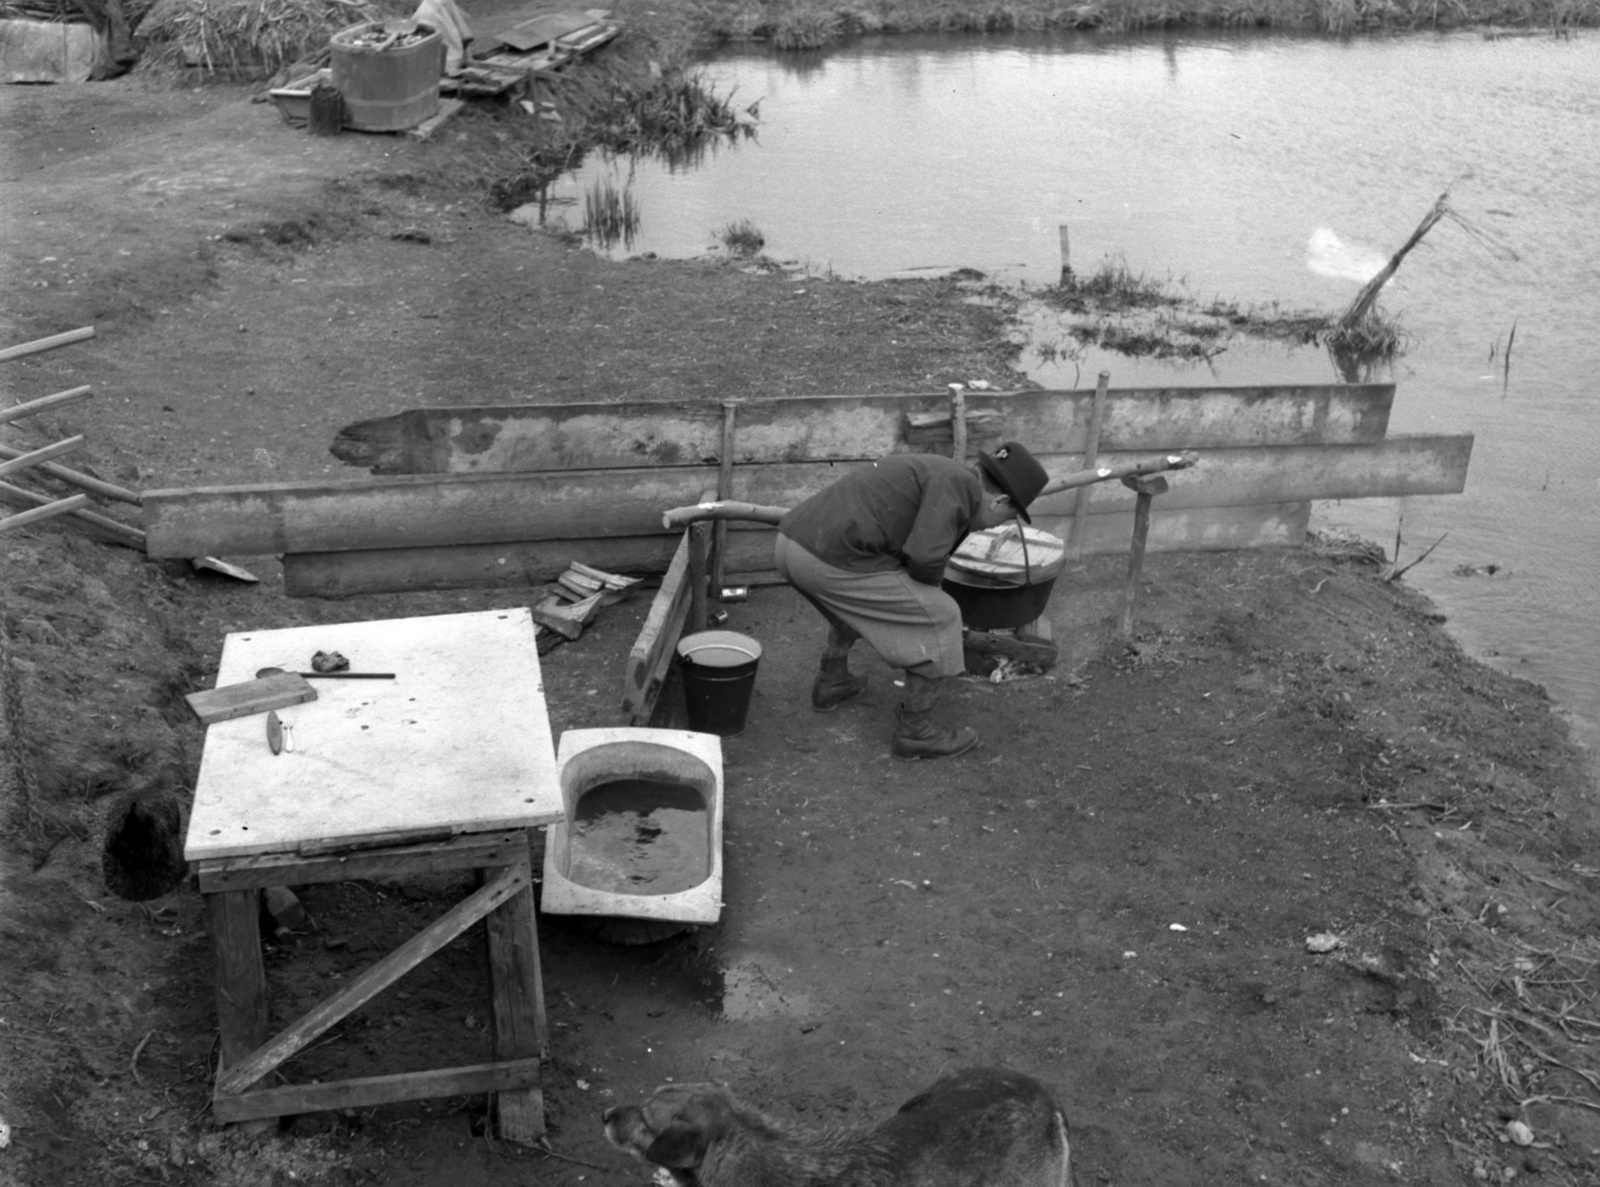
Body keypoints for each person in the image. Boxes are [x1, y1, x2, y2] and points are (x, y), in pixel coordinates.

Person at [774, 442, 1049, 760]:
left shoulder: (943, 471)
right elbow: (924, 557)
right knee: (942, 616)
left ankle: (833, 680)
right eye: (1007, 517)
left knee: (865, 603)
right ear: (1000, 500)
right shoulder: (958, 485)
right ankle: (917, 732)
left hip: (791, 545)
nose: (1000, 525)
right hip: (824, 559)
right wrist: (928, 600)